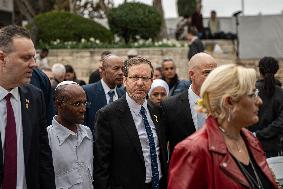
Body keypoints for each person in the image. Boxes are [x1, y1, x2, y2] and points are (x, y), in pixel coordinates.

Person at [168, 64, 279, 189]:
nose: (259, 101)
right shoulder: (194, 150)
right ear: (229, 102)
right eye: (252, 94)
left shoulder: (250, 140)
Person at [94, 57, 168, 189]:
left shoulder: (158, 111)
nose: (140, 83)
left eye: (145, 78)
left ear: (151, 81)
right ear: (125, 80)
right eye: (134, 77)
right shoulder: (107, 115)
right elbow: (101, 165)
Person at [0, 25, 55, 188]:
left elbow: (43, 156)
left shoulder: (35, 97)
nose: (34, 64)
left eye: (34, 57)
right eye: (26, 58)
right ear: (2, 58)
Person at [161, 53, 217, 155]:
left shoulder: (224, 103)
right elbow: (162, 147)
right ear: (192, 75)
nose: (212, 77)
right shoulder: (170, 106)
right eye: (207, 73)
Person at [47, 81, 93, 188]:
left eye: (84, 103)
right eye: (77, 104)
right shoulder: (48, 137)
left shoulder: (87, 133)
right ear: (59, 105)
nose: (83, 109)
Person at [250, 57, 283, 157]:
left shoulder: (251, 90)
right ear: (276, 70)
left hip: (250, 143)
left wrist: (255, 134)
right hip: (273, 146)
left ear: (259, 70)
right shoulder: (281, 93)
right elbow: (281, 122)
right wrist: (261, 134)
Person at [83, 54, 125, 133]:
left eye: (122, 69)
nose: (121, 73)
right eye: (116, 69)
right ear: (102, 70)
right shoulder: (87, 92)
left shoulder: (124, 94)